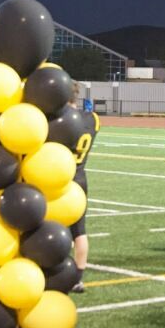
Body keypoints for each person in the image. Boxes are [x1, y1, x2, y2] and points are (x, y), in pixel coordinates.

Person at [69, 82, 101, 293]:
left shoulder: (58, 120)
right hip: (81, 177)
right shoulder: (93, 119)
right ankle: (78, 277)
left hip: (60, 179)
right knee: (79, 231)